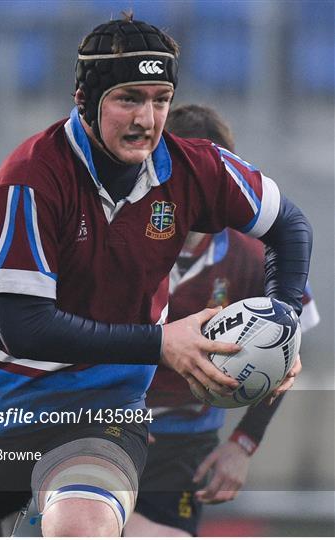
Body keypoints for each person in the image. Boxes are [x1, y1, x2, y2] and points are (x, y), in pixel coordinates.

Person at [0, 15, 312, 538]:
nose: (147, 118)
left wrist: (282, 320)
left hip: (103, 412)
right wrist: (161, 343)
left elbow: (290, 225)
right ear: (84, 98)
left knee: (82, 528)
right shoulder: (30, 180)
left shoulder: (194, 167)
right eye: (129, 97)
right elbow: (26, 328)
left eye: (160, 98)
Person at [125, 104, 320, 537]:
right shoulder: (116, 238)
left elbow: (285, 358)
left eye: (214, 179)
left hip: (184, 439)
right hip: (101, 423)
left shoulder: (253, 257)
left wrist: (243, 445)